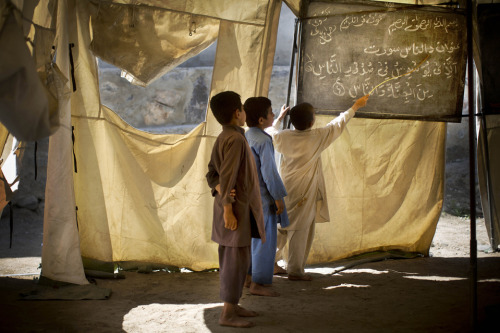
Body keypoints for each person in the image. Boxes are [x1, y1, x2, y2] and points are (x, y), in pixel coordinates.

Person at [268, 95, 369, 281]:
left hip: (285, 188)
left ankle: (270, 263)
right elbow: (338, 123)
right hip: (304, 191)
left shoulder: (284, 137)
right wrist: (355, 106)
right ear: (312, 121)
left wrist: (280, 118)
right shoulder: (316, 137)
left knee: (282, 226)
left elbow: (270, 132)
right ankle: (295, 271)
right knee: (300, 229)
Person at [205, 91, 266, 328]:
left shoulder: (224, 137)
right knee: (234, 262)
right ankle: (227, 314)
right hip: (234, 212)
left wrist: (221, 190)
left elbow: (212, 175)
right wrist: (228, 209)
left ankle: (233, 305)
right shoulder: (237, 140)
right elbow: (226, 176)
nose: (244, 112)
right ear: (236, 113)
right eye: (242, 108)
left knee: (238, 261)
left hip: (233, 209)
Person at [243, 97, 290, 297]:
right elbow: (269, 173)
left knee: (251, 240)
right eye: (271, 112)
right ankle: (258, 283)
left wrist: (278, 118)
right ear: (262, 120)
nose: (273, 115)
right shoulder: (263, 140)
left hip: (248, 198)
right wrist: (278, 197)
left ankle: (247, 278)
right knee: (265, 241)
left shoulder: (247, 136)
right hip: (263, 198)